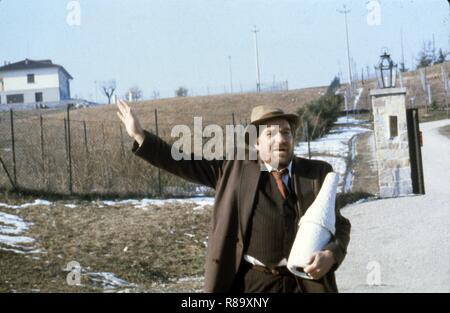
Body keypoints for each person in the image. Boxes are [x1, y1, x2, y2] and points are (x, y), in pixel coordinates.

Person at [116, 100, 351, 293]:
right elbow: (184, 162)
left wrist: (330, 254)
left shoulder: (317, 174)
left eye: (286, 132)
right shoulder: (234, 170)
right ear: (257, 144)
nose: (280, 139)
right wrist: (140, 136)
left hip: (305, 284)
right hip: (253, 285)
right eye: (270, 134)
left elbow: (339, 226)